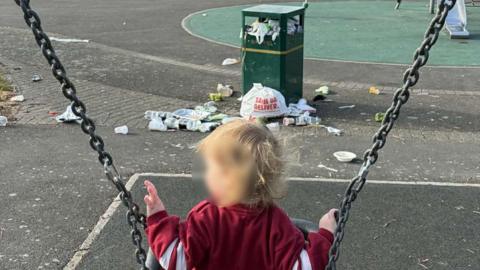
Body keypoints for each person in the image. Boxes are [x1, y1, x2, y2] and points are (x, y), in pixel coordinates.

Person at [144, 120, 337, 270]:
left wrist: (158, 219)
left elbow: (175, 261)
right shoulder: (276, 223)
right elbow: (305, 267)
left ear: (226, 177)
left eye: (209, 168)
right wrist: (325, 235)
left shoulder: (206, 217)